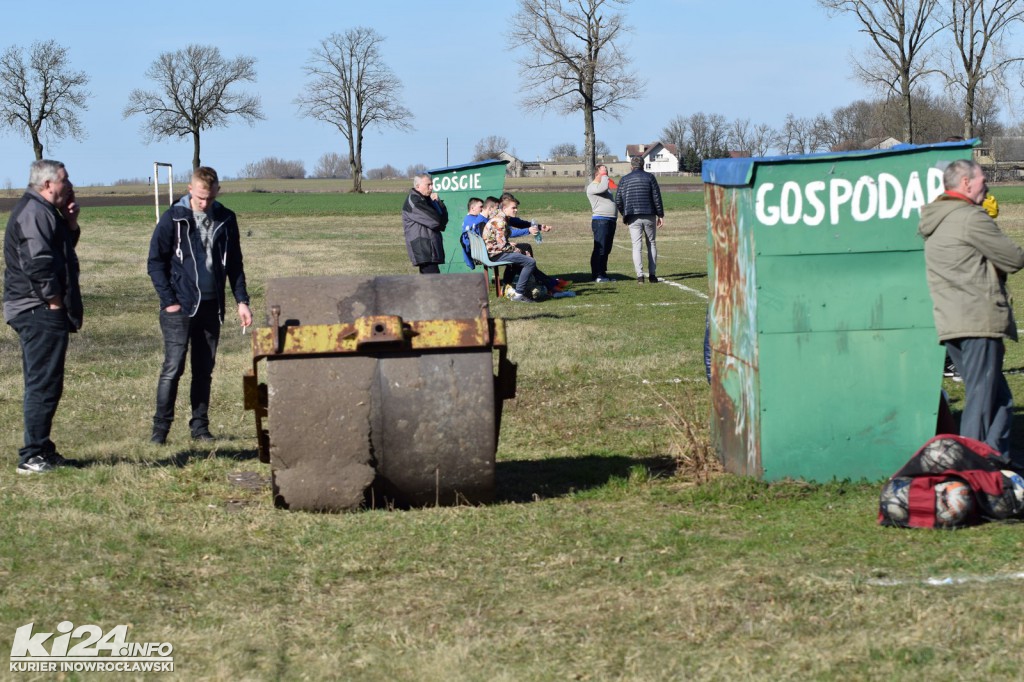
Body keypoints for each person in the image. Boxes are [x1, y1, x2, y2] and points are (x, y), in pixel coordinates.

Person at [919, 158, 1024, 462]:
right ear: (965, 183)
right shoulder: (969, 217)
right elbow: (1013, 258)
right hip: (978, 318)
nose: (987, 187)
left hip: (952, 321)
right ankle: (969, 467)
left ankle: (996, 461)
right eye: (982, 180)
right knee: (981, 398)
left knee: (1000, 399)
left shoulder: (936, 220)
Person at [147, 166, 252, 444]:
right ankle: (160, 432)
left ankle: (200, 428)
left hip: (211, 307)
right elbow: (155, 263)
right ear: (190, 189)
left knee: (204, 370)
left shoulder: (226, 219)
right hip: (179, 307)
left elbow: (235, 264)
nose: (205, 203)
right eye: (200, 197)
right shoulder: (173, 218)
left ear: (218, 191)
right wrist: (169, 302)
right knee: (173, 368)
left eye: (210, 198)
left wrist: (242, 300)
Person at [3, 160, 83, 474]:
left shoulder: (46, 212)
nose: (70, 184)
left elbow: (60, 252)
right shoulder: (34, 213)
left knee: (48, 381)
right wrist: (54, 303)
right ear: (48, 184)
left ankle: (43, 449)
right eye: (65, 179)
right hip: (36, 308)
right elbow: (38, 264)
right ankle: (32, 455)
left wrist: (70, 223)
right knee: (42, 383)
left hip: (39, 307)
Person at [482, 195, 557, 303]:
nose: (516, 210)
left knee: (524, 257)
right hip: (495, 254)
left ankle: (518, 287)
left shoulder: (501, 217)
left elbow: (502, 240)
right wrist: (519, 251)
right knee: (530, 262)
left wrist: (538, 227)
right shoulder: (500, 221)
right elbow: (501, 246)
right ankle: (519, 293)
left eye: (516, 207)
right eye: (513, 208)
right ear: (504, 208)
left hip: (494, 252)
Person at [614, 155, 664, 284]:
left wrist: (625, 214)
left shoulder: (624, 179)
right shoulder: (650, 177)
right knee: (651, 243)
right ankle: (652, 275)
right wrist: (660, 215)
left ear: (631, 166)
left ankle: (640, 276)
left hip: (632, 216)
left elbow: (618, 200)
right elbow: (656, 197)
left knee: (636, 246)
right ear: (643, 165)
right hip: (649, 214)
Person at [402, 173, 448, 274]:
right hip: (424, 248)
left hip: (430, 247)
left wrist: (438, 202)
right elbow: (436, 221)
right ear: (418, 186)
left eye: (432, 184)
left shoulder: (427, 200)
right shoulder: (414, 202)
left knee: (428, 281)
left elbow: (444, 220)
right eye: (428, 185)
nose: (431, 187)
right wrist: (439, 218)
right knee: (434, 281)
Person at [586, 164, 617, 282]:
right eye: (603, 173)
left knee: (607, 249)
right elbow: (603, 187)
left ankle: (603, 273)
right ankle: (597, 274)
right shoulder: (593, 187)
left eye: (607, 173)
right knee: (601, 248)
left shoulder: (604, 186)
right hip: (600, 221)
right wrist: (604, 176)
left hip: (610, 220)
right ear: (596, 174)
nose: (606, 175)